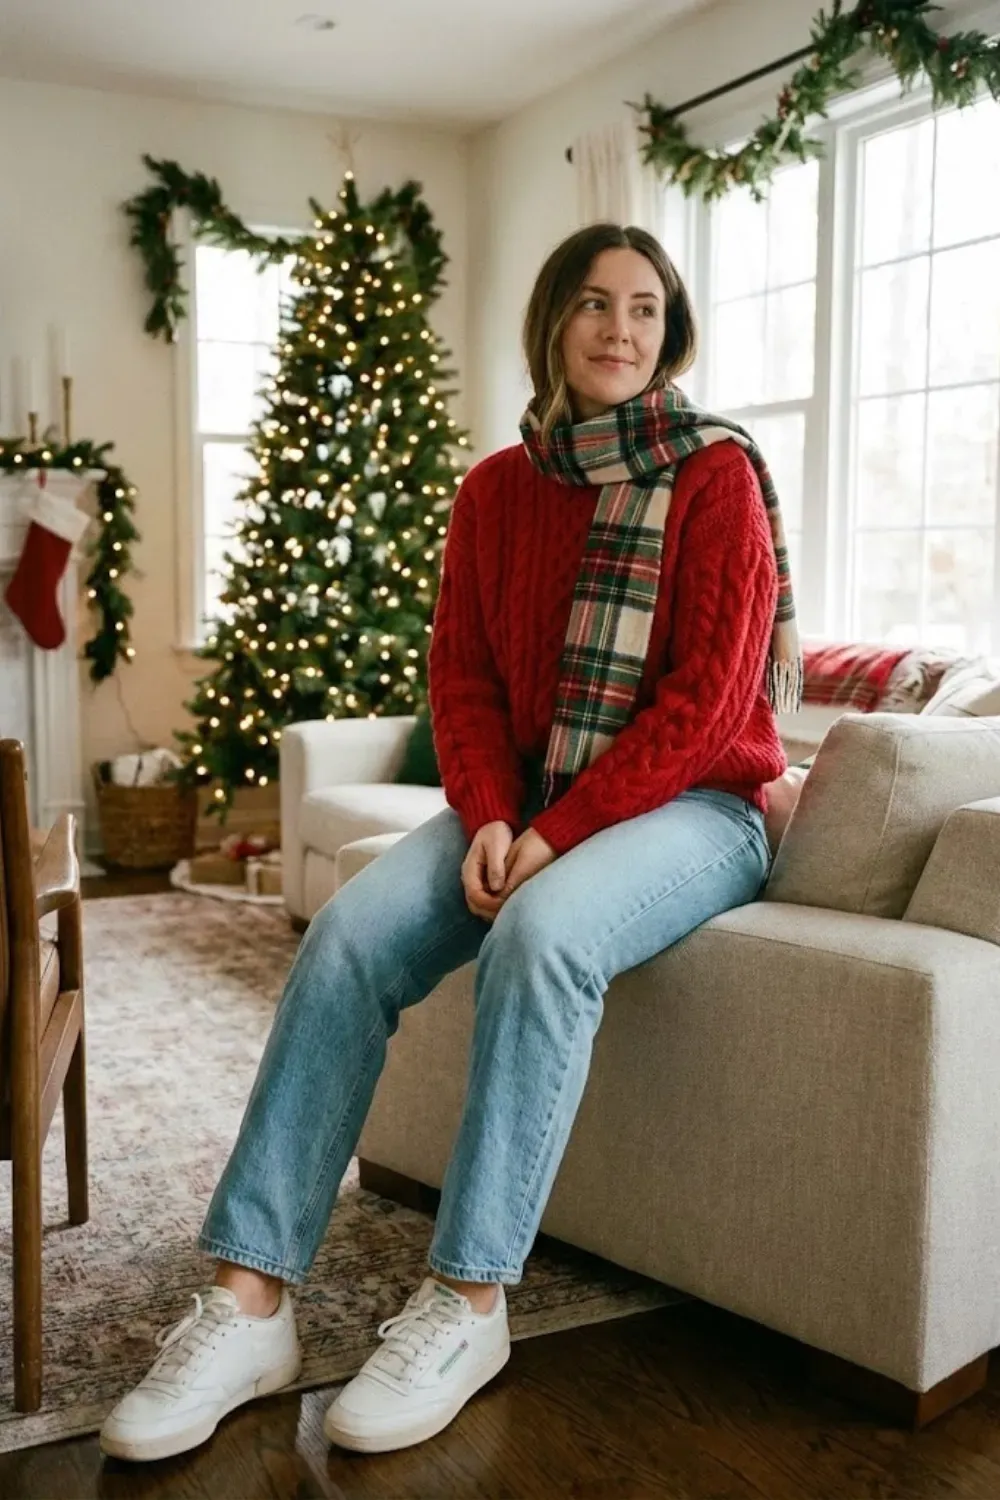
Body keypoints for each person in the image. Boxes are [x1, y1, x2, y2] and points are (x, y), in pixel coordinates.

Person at [100, 220, 800, 1464]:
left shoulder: (716, 477)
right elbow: (462, 681)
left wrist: (556, 837)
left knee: (539, 936)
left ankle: (470, 1302)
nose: (620, 330)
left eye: (645, 308)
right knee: (351, 934)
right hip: (521, 801)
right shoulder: (493, 489)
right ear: (551, 323)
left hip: (697, 808)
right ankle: (252, 1302)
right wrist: (488, 813)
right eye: (594, 304)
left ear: (671, 330)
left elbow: (703, 710)